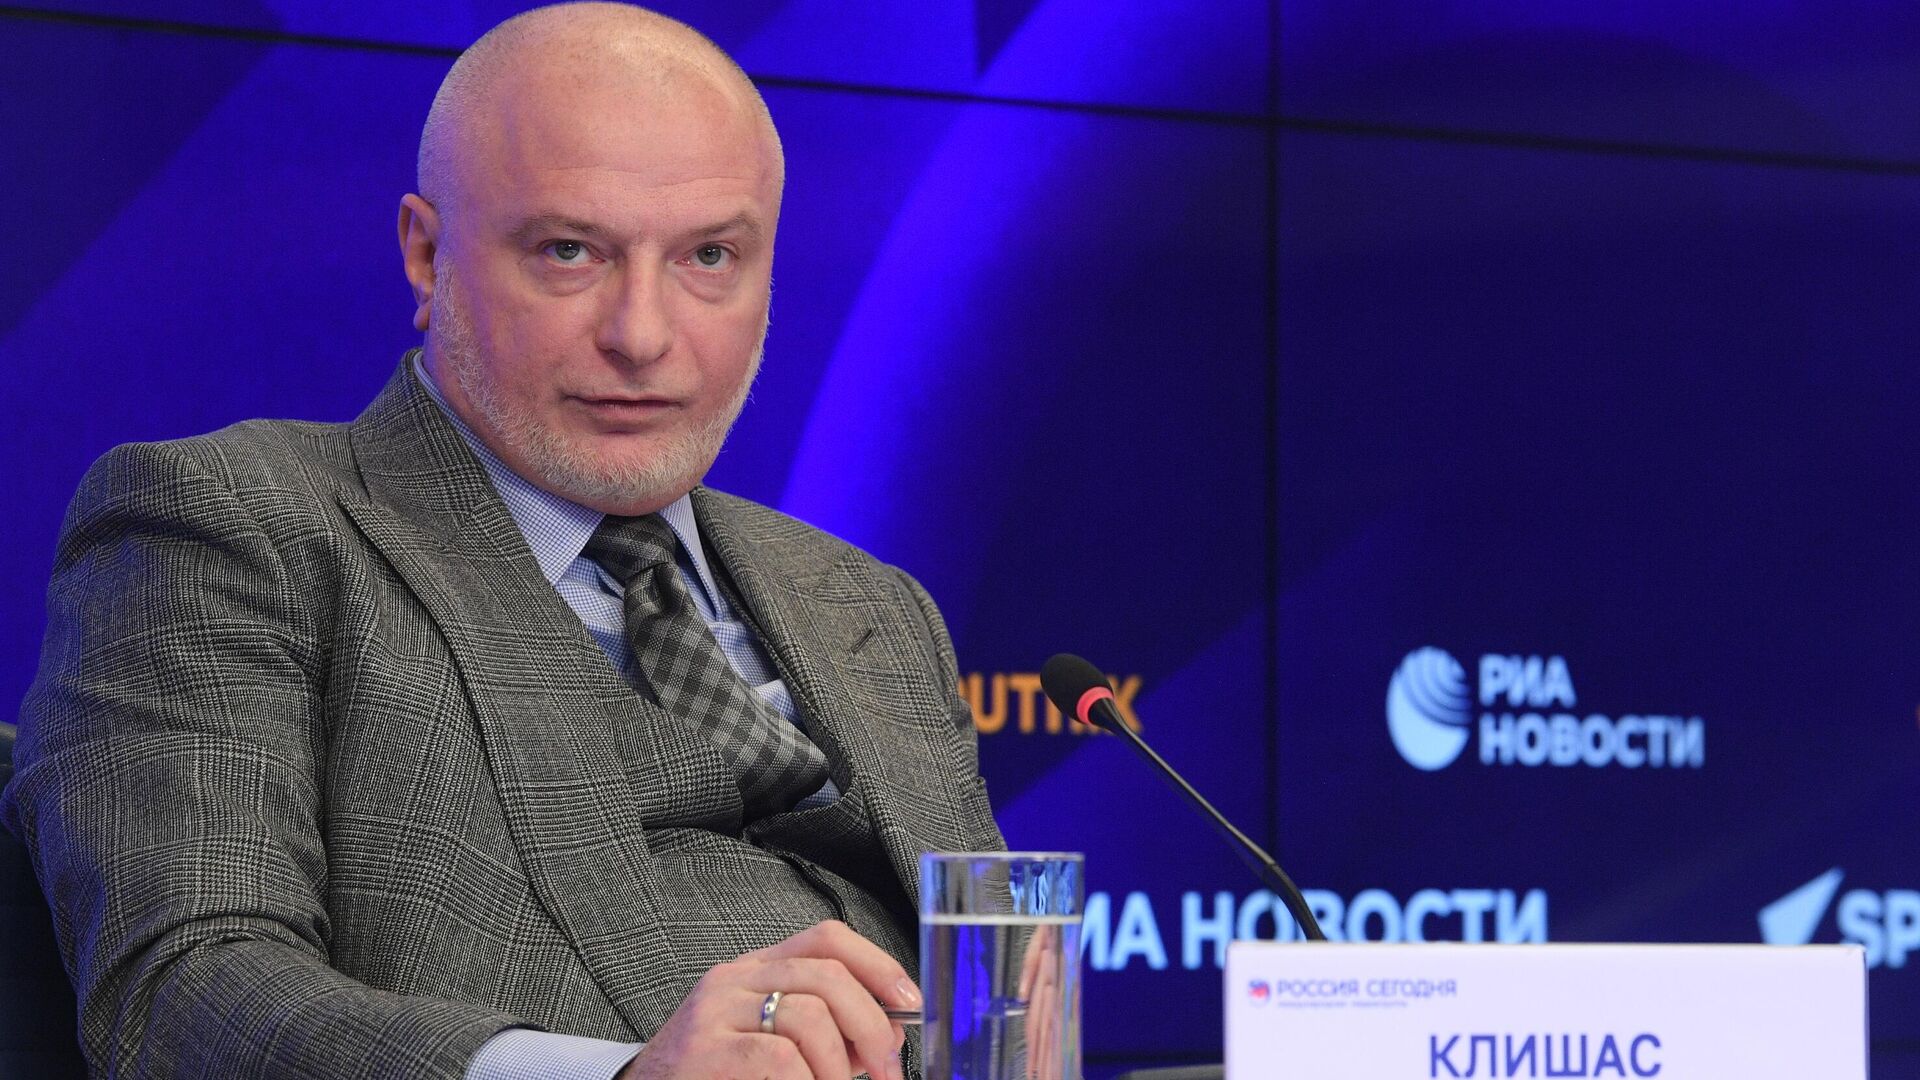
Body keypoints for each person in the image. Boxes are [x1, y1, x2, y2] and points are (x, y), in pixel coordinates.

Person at [1, 4, 1004, 1078]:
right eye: (570, 251)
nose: (642, 335)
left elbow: (1004, 1012)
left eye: (709, 256)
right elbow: (183, 995)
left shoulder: (872, 605)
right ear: (427, 256)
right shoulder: (230, 527)